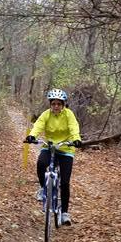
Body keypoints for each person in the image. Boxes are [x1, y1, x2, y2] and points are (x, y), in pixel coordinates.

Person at [24, 89, 82, 226]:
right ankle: (44, 188)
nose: (56, 106)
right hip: (50, 148)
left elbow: (74, 127)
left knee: (65, 182)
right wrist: (33, 135)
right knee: (40, 163)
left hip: (66, 149)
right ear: (50, 104)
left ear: (63, 104)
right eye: (54, 103)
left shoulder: (69, 115)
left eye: (59, 104)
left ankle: (65, 213)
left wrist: (76, 139)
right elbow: (38, 125)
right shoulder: (46, 114)